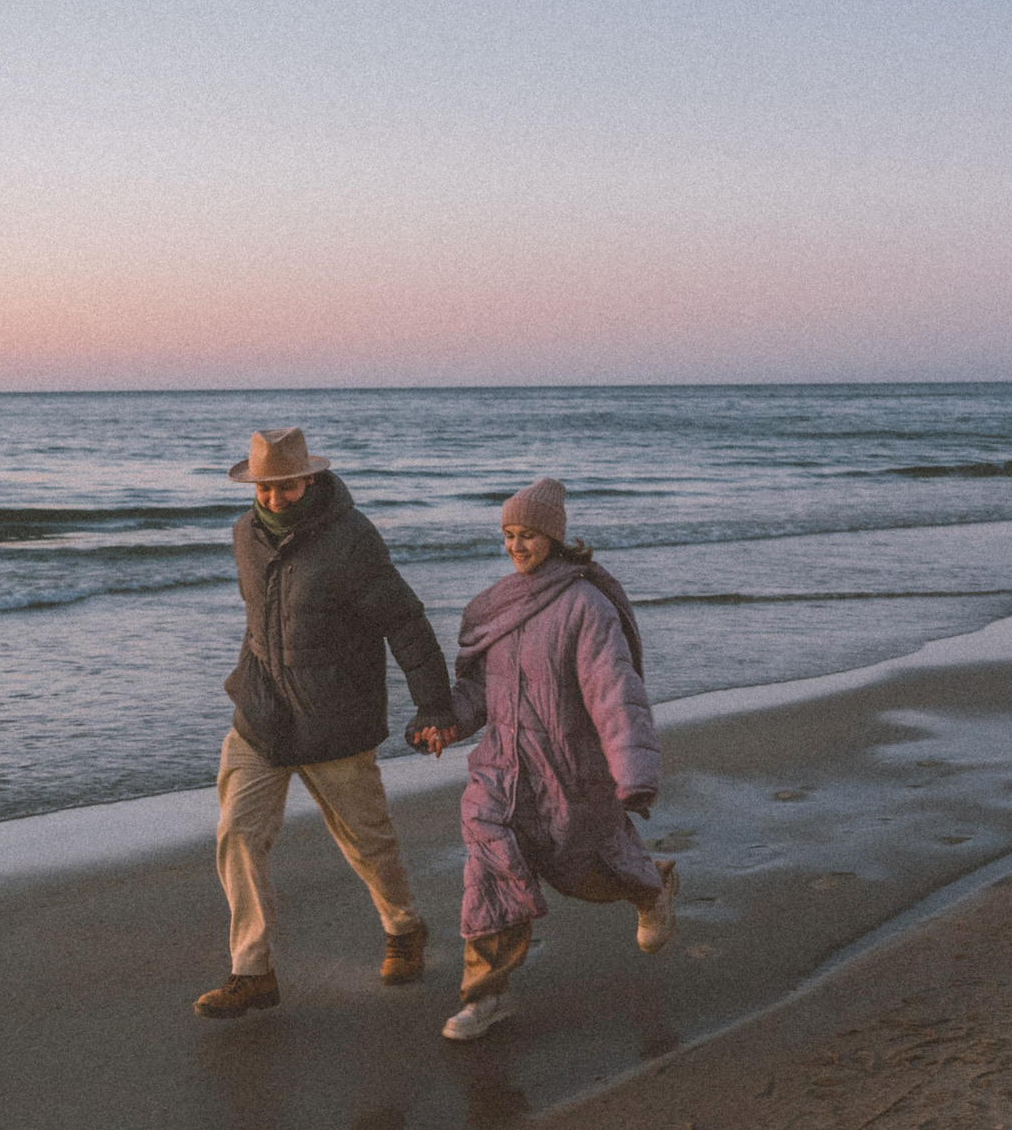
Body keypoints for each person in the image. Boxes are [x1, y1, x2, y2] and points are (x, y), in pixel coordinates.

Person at [196, 427, 459, 1019]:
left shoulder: (351, 541)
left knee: (366, 842)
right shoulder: (245, 535)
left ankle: (403, 928)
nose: (272, 500)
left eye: (284, 487)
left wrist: (435, 708)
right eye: (263, 489)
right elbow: (259, 616)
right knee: (238, 832)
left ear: (309, 478)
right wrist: (248, 676)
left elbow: (406, 623)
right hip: (261, 713)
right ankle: (251, 970)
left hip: (333, 716)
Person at [411, 477, 677, 1040]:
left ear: (553, 538)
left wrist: (634, 773)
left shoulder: (585, 606)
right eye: (508, 535)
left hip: (566, 773)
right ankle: (486, 997)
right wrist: (448, 723)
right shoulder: (498, 605)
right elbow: (481, 689)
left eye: (527, 535)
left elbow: (614, 692)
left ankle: (651, 885)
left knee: (581, 873)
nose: (515, 546)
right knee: (489, 875)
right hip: (498, 772)